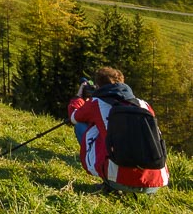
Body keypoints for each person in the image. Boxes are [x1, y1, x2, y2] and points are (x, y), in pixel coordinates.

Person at [68, 66, 169, 195]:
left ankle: (108, 181)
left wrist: (78, 97)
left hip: (118, 181)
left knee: (81, 127)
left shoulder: (96, 103)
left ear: (98, 86)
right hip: (154, 183)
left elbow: (74, 117)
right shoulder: (144, 104)